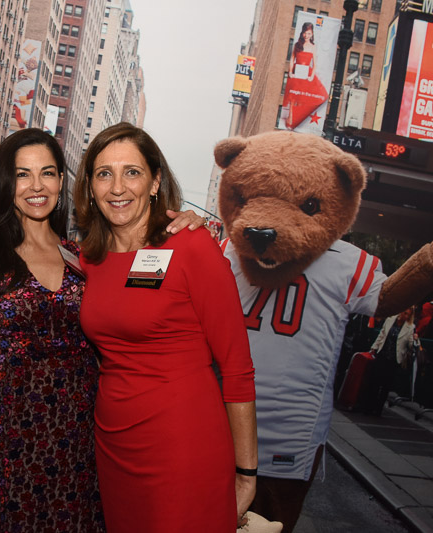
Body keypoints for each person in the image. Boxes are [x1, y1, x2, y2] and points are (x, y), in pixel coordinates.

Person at [0, 128, 206, 531]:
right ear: (6, 182)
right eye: (23, 174)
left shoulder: (84, 255)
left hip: (84, 432)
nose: (36, 186)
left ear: (61, 181)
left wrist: (182, 222)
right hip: (14, 434)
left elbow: (136, 312)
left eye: (48, 173)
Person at [74, 122, 257, 532]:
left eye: (132, 172)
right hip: (113, 444)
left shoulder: (191, 246)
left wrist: (246, 471)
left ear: (155, 182)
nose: (118, 187)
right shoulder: (91, 258)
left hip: (182, 442)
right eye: (104, 173)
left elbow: (238, 367)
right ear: (90, 186)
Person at [361, 307, 416, 416]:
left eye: (407, 314)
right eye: (404, 312)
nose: (404, 316)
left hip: (394, 359)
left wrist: (415, 339)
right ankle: (368, 407)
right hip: (382, 354)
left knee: (385, 386)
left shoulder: (410, 327)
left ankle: (378, 409)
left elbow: (410, 345)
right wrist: (374, 347)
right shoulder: (390, 319)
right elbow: (382, 334)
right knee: (375, 382)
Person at [283, 22, 328, 130]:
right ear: (302, 33)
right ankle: (291, 116)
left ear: (312, 34)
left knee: (303, 96)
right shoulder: (297, 45)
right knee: (294, 96)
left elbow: (315, 64)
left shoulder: (313, 47)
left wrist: (312, 76)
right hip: (297, 71)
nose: (306, 36)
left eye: (309, 33)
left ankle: (299, 119)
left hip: (306, 73)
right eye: (305, 33)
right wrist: (290, 72)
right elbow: (292, 59)